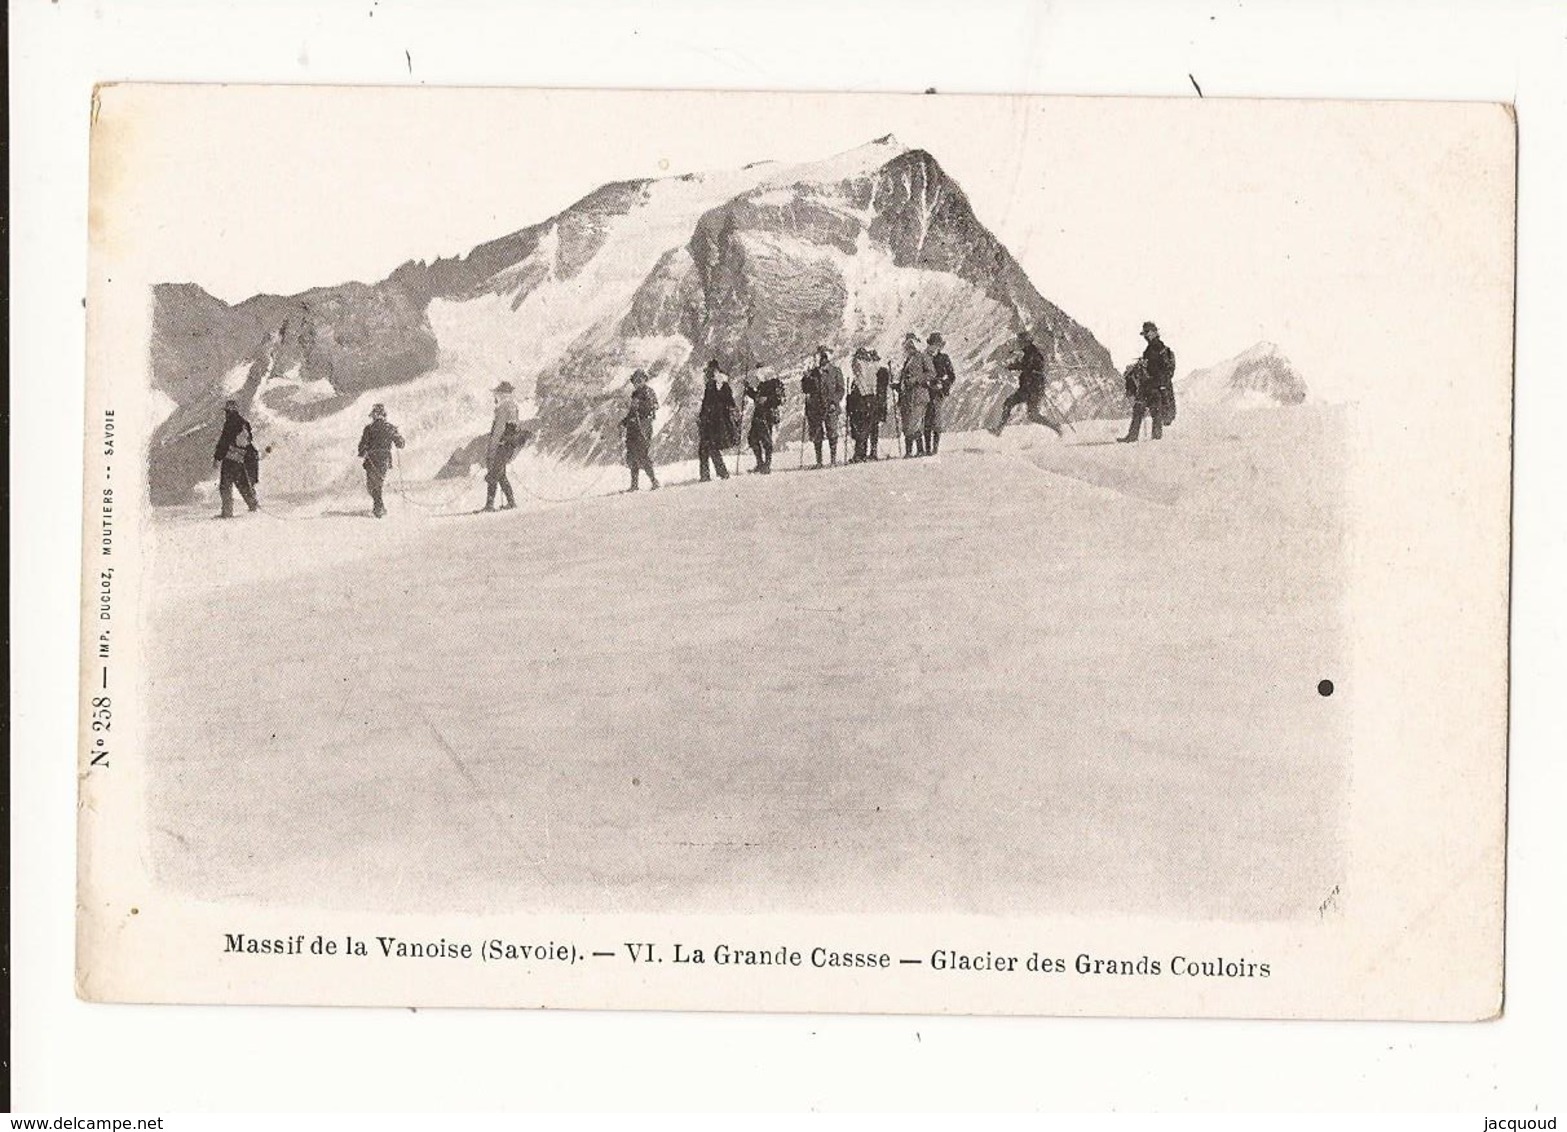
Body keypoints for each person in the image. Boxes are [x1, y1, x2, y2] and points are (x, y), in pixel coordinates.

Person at [992, 329, 1063, 436]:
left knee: (1031, 414)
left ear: (1026, 341)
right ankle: (999, 429)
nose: (1019, 343)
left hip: (1033, 389)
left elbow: (1031, 367)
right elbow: (1025, 365)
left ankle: (1055, 427)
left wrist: (1015, 366)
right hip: (1028, 388)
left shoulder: (1034, 353)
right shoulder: (1028, 352)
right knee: (1017, 407)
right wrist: (1014, 366)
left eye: (1021, 341)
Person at [1119, 321, 1176, 442]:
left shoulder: (1159, 348)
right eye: (1145, 334)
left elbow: (1164, 370)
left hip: (1154, 385)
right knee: (1145, 410)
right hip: (1151, 385)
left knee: (1149, 410)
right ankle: (1147, 438)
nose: (1145, 336)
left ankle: (1137, 437)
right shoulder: (1151, 348)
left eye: (1147, 333)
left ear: (1155, 332)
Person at [212, 398, 260, 518]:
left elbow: (224, 441)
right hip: (240, 459)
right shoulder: (244, 423)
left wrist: (217, 458)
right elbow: (249, 441)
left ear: (228, 411)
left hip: (229, 458)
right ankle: (253, 505)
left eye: (226, 411)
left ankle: (227, 512)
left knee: (225, 485)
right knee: (243, 483)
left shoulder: (230, 423)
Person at [356, 403, 405, 518]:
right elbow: (401, 444)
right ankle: (379, 507)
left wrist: (362, 452)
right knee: (378, 484)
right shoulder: (390, 428)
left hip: (371, 461)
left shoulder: (368, 429)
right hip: (384, 460)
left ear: (374, 415)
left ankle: (378, 508)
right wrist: (397, 438)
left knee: (371, 485)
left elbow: (362, 447)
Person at [801, 346, 846, 467]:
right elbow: (806, 390)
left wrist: (834, 402)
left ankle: (833, 460)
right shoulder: (813, 373)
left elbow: (840, 390)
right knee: (817, 434)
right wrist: (805, 379)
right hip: (815, 408)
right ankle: (819, 461)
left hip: (830, 407)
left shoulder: (836, 372)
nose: (821, 360)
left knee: (832, 432)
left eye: (823, 358)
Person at [484, 380, 525, 511]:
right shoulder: (514, 406)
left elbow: (498, 430)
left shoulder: (502, 408)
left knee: (494, 473)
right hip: (510, 445)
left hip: (502, 445)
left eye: (497, 394)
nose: (495, 396)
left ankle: (489, 505)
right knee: (500, 473)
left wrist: (491, 449)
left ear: (501, 394)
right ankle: (511, 502)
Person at [697, 359, 737, 481]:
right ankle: (718, 473)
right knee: (707, 448)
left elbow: (729, 401)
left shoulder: (721, 385)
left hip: (716, 422)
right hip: (710, 422)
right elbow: (706, 404)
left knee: (708, 448)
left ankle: (712, 474)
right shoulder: (711, 385)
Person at [620, 369, 660, 490]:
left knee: (642, 455)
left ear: (644, 379)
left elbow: (654, 406)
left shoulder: (649, 392)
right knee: (632, 456)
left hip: (643, 428)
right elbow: (632, 412)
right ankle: (634, 485)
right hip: (633, 429)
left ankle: (654, 481)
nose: (637, 382)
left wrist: (641, 407)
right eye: (635, 381)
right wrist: (624, 422)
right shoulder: (635, 394)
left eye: (639, 380)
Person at [742, 363, 785, 473]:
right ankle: (760, 463)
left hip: (767, 414)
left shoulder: (775, 383)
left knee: (766, 441)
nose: (758, 374)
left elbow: (780, 399)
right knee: (752, 439)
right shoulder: (762, 385)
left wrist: (767, 399)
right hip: (758, 414)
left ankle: (767, 464)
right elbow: (757, 397)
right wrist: (748, 389)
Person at [896, 334, 934, 457]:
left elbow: (931, 373)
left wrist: (916, 380)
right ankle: (917, 450)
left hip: (919, 396)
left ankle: (913, 451)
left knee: (913, 423)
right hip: (907, 397)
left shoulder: (922, 357)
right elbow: (905, 379)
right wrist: (898, 385)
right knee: (909, 423)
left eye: (909, 346)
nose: (907, 349)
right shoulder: (908, 360)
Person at [847, 347, 881, 463]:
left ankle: (859, 454)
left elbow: (860, 384)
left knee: (860, 427)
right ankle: (867, 453)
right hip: (871, 399)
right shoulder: (873, 367)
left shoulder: (859, 366)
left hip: (861, 400)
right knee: (868, 426)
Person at [925, 332, 957, 455]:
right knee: (926, 421)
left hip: (938, 393)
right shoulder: (925, 357)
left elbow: (952, 376)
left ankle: (935, 448)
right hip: (926, 392)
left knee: (936, 421)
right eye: (932, 344)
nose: (934, 347)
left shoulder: (944, 358)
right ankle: (928, 448)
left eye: (937, 344)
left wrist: (943, 384)